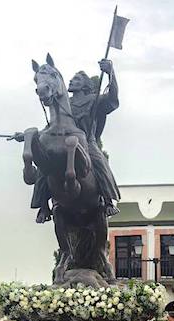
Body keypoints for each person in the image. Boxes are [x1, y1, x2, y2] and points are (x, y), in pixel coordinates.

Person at [27, 58, 121, 223]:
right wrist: (25, 136)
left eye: (76, 79)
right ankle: (43, 205)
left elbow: (113, 100)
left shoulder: (94, 99)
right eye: (71, 79)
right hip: (62, 141)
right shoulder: (64, 102)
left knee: (99, 161)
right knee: (45, 166)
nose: (71, 80)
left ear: (85, 85)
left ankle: (108, 199)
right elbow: (51, 127)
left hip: (87, 141)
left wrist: (110, 73)